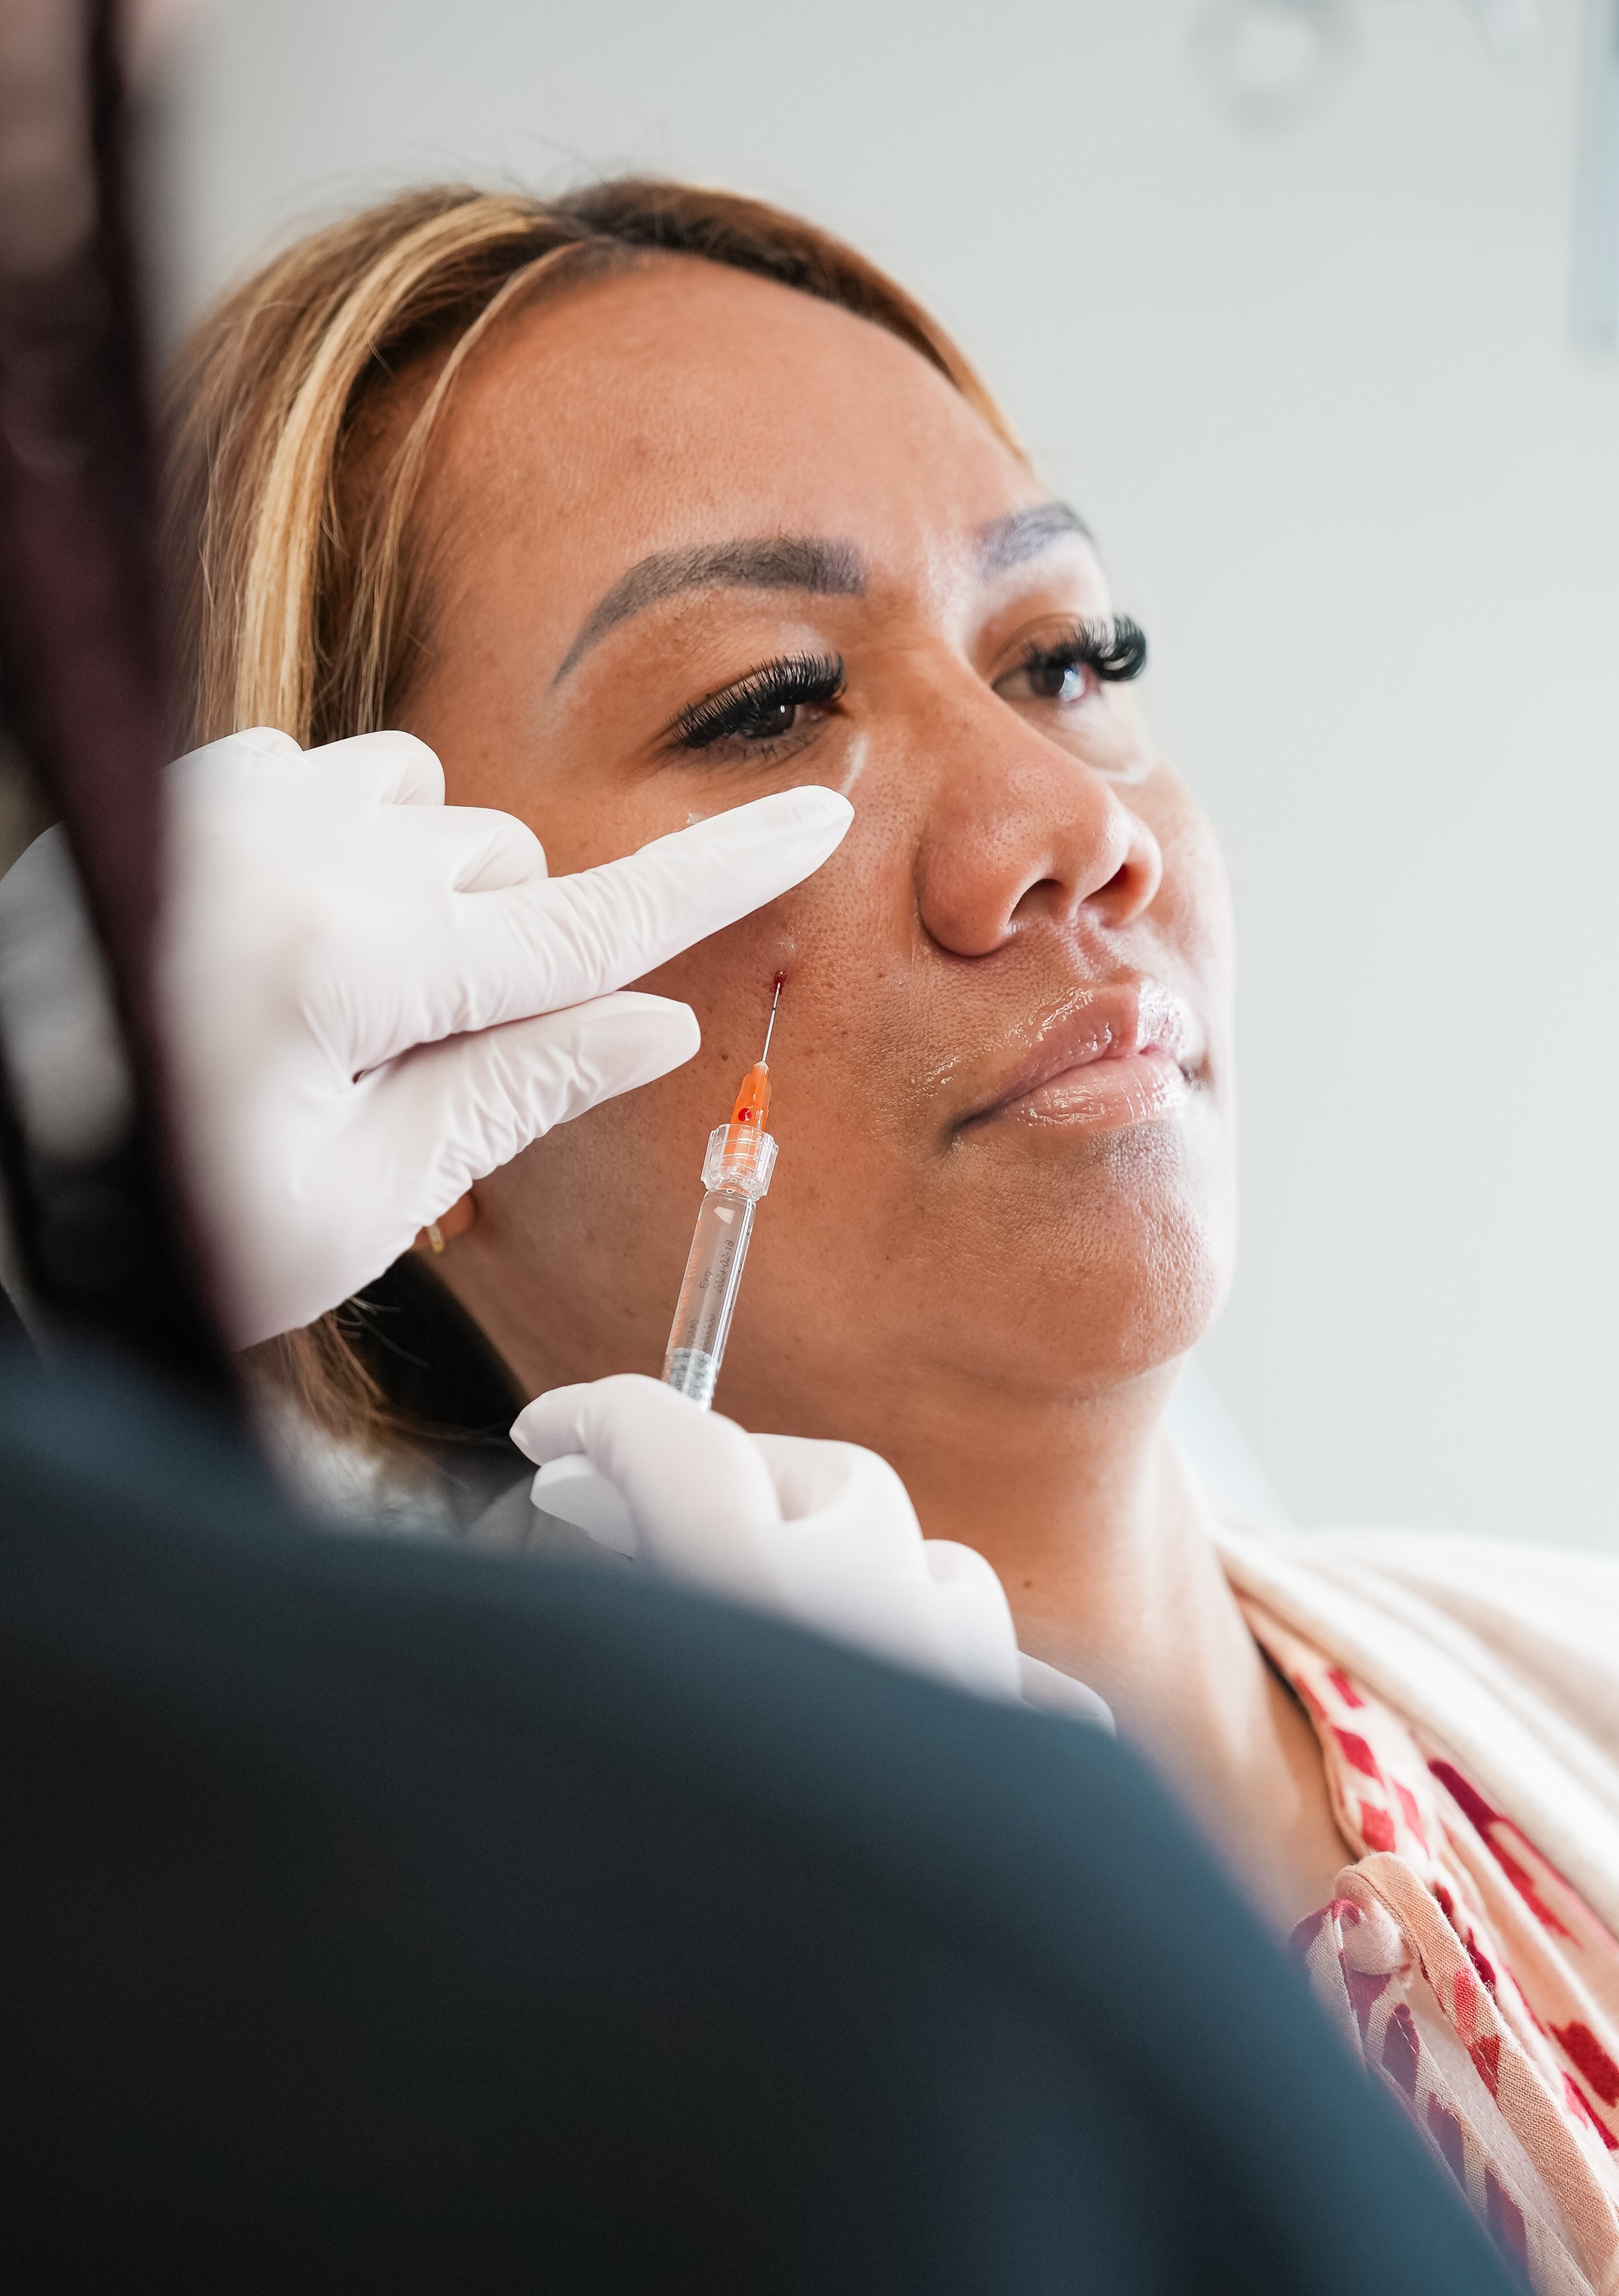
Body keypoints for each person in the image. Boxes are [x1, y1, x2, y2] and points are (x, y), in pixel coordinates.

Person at [162, 175, 1619, 2292]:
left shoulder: (1573, 1677)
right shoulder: (398, 2093)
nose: (1071, 831)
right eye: (764, 700)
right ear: (390, 1037)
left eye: (1068, 656)